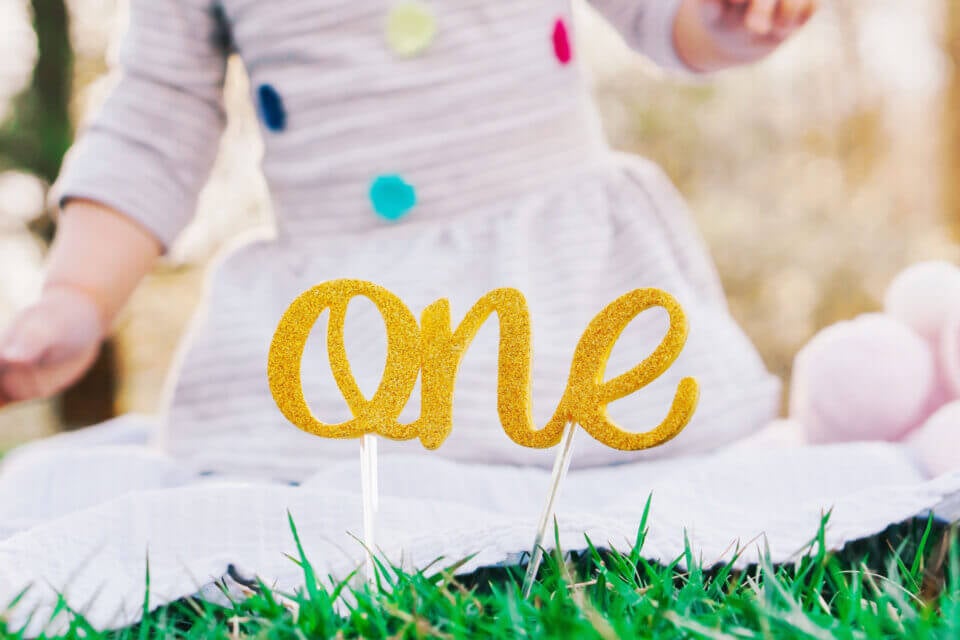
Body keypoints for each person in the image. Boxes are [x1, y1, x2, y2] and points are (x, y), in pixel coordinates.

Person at [13, 2, 951, 634]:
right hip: (347, 332)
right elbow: (155, 117)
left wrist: (728, 17)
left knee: (677, 490)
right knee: (294, 506)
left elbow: (665, 18)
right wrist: (77, 297)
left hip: (564, 298)